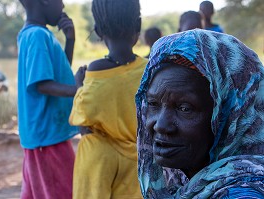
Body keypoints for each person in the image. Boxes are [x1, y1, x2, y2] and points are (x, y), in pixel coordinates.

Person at [135, 29, 264, 198]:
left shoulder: (243, 193)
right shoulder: (182, 176)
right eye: (153, 104)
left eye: (185, 108)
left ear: (228, 116)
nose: (161, 125)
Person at [69, 0, 147, 198]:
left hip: (104, 167)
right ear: (138, 26)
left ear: (97, 30)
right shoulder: (150, 69)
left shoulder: (97, 72)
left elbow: (82, 124)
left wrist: (80, 85)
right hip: (143, 166)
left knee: (90, 143)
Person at [17, 0, 79, 198]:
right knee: (64, 192)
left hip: (42, 135)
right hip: (47, 138)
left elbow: (55, 75)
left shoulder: (32, 33)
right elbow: (41, 84)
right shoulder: (37, 35)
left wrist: (70, 41)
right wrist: (77, 90)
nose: (62, 6)